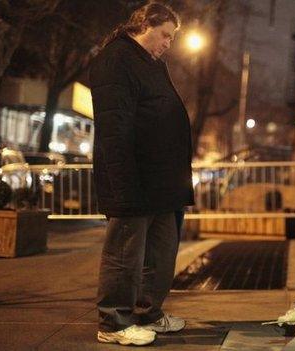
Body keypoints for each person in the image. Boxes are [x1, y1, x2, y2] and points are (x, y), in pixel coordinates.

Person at [89, 2, 194, 346]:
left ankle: (149, 312)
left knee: (161, 254)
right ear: (146, 24)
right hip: (135, 179)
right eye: (165, 35)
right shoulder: (117, 58)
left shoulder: (151, 64)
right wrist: (122, 184)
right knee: (125, 255)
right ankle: (114, 322)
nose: (168, 43)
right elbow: (114, 127)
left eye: (172, 38)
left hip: (161, 184)